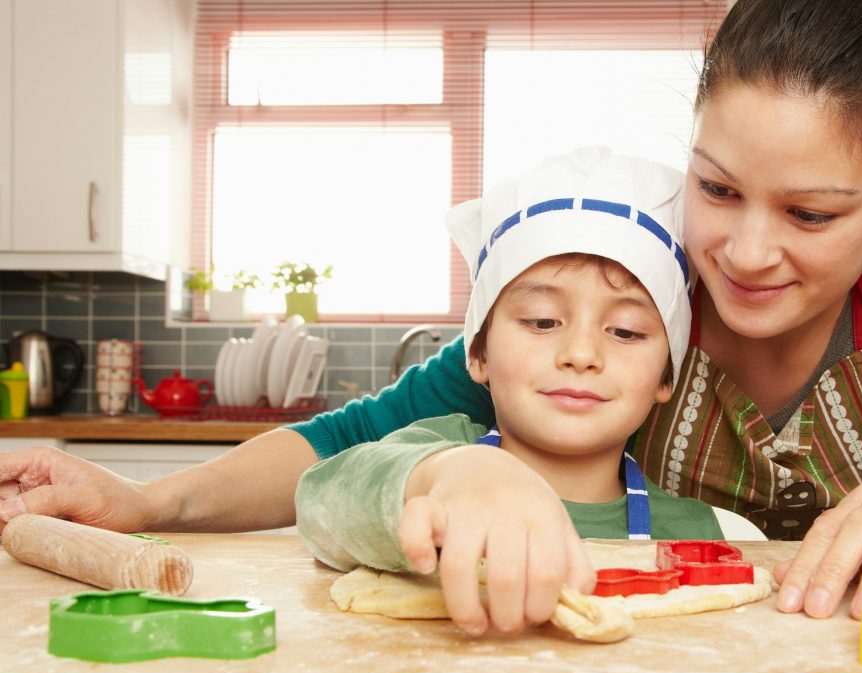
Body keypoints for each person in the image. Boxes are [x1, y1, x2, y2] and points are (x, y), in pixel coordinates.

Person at [2, 0, 862, 628]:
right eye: (717, 187)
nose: (744, 252)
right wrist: (145, 500)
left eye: (812, 211)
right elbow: (358, 446)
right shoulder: (624, 278)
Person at [294, 147, 746, 635]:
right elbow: (321, 500)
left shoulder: (707, 534)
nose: (581, 353)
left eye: (626, 332)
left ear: (666, 378)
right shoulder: (437, 461)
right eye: (542, 321)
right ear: (478, 355)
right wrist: (447, 474)